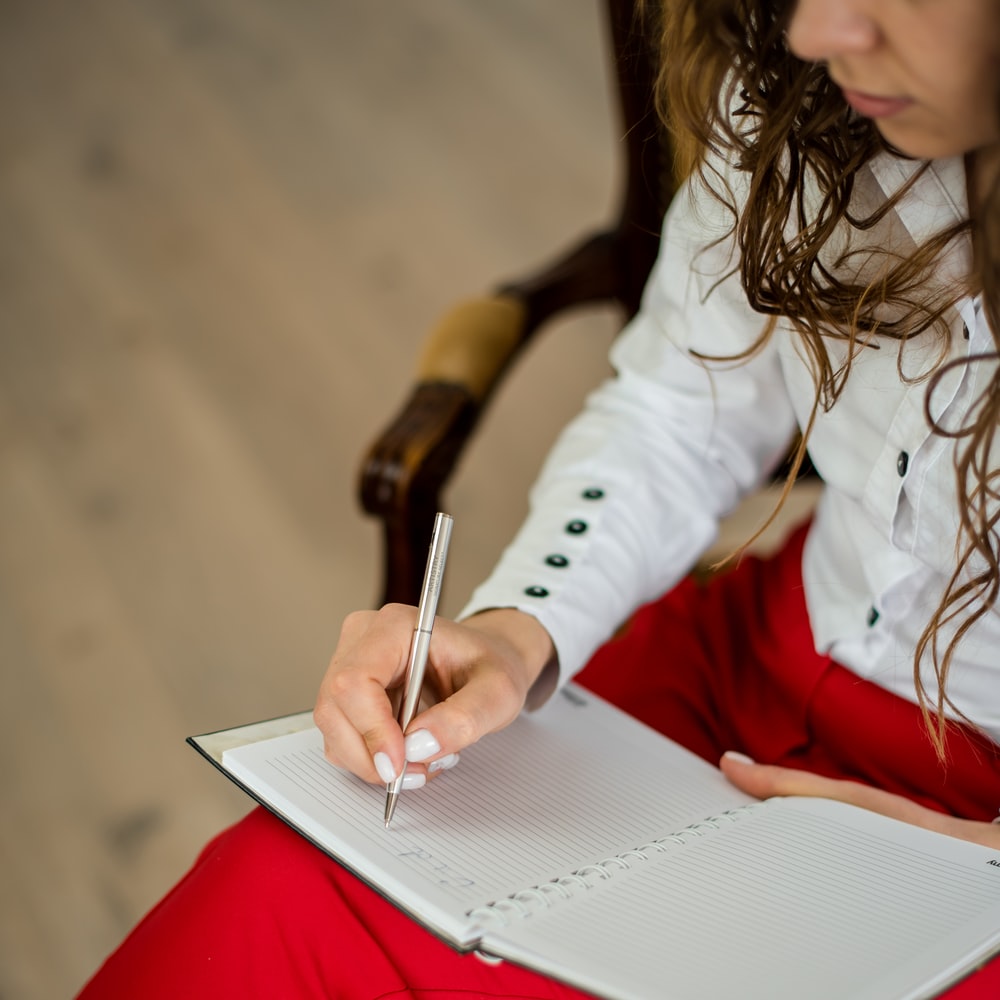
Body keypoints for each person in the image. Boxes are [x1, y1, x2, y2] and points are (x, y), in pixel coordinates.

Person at [78, 0, 1000, 996]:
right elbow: (677, 406)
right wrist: (523, 627)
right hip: (751, 668)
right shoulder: (804, 85)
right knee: (278, 896)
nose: (816, 33)